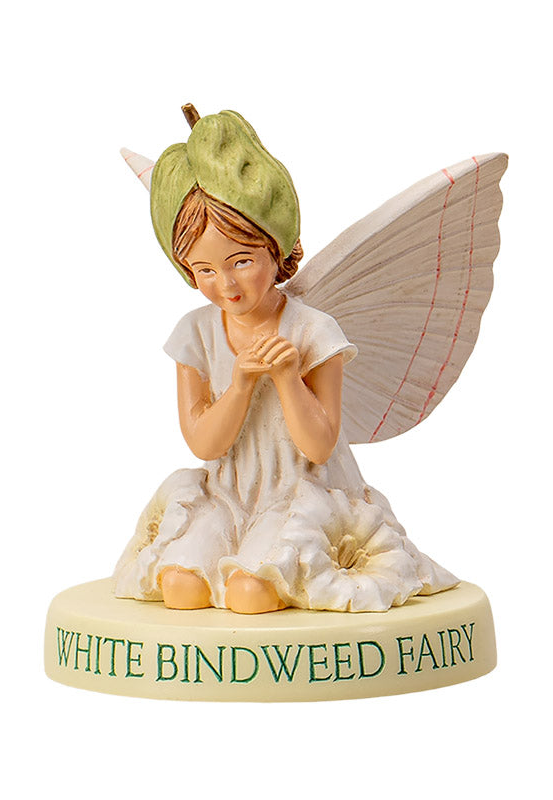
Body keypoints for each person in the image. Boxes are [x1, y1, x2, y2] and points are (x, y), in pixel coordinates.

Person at [113, 110, 458, 613]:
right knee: (181, 588)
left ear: (278, 251)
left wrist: (287, 377)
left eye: (242, 261)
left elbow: (319, 444)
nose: (226, 286)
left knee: (250, 593)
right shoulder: (196, 333)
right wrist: (239, 386)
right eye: (204, 269)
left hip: (303, 494)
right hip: (227, 495)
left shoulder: (313, 331)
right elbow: (203, 442)